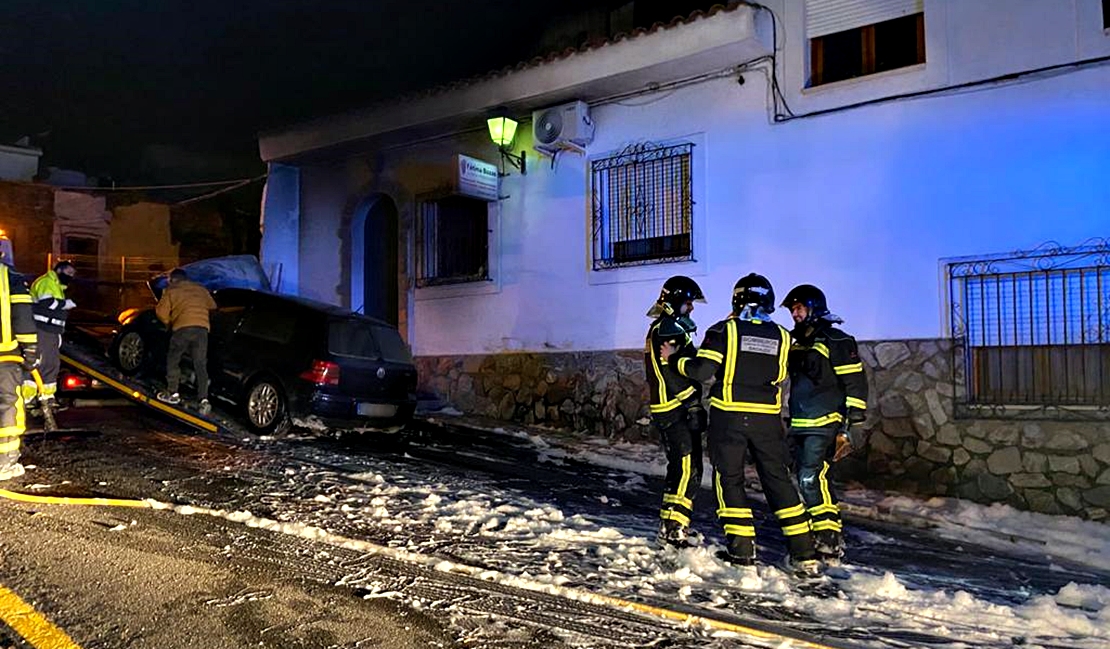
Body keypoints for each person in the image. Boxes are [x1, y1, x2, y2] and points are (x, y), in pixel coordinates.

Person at [662, 273, 818, 576]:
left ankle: (742, 552)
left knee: (729, 480)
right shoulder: (784, 336)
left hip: (729, 419)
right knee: (778, 481)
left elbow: (702, 370)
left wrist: (674, 358)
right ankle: (804, 553)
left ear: (737, 299)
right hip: (768, 421)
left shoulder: (724, 330)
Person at [781, 284, 868, 562]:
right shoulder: (796, 341)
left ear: (813, 307)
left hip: (826, 421)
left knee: (811, 476)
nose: (794, 314)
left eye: (799, 308)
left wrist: (855, 421)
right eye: (792, 309)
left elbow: (854, 381)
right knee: (809, 479)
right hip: (800, 421)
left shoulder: (836, 340)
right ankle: (821, 532)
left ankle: (829, 539)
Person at [645, 275, 708, 548]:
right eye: (688, 302)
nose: (691, 308)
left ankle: (671, 524)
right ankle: (674, 529)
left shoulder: (670, 327)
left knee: (685, 467)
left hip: (673, 407)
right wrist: (692, 402)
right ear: (673, 302)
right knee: (687, 467)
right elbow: (669, 371)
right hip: (674, 408)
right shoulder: (668, 328)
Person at [20, 261, 77, 423]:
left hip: (52, 332)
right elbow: (47, 303)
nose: (71, 275)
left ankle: (47, 398)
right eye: (68, 271)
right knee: (40, 363)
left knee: (51, 364)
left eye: (73, 273)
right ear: (58, 270)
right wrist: (66, 304)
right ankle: (29, 401)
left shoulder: (57, 286)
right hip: (42, 330)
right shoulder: (46, 282)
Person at [155, 268, 216, 414]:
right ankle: (203, 400)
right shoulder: (200, 289)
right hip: (202, 329)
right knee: (200, 364)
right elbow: (213, 306)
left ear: (172, 279)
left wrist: (169, 322)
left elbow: (160, 312)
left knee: (174, 358)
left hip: (182, 327)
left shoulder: (171, 290)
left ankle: (172, 393)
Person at [1, 252, 39, 480]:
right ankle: (3, 464)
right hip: (4, 356)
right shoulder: (8, 275)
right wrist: (30, 350)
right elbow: (23, 314)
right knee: (7, 406)